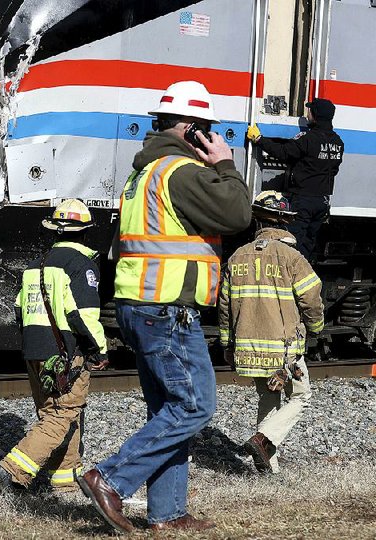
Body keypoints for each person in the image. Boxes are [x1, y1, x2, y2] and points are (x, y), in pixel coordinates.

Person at [77, 81, 251, 532]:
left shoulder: (144, 174)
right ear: (192, 128)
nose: (214, 138)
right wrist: (227, 166)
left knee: (168, 410)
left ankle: (167, 513)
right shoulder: (181, 171)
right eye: (208, 129)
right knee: (195, 406)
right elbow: (237, 215)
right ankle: (110, 477)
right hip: (167, 307)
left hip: (140, 304)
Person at [0, 199, 109, 494]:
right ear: (85, 232)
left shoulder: (36, 264)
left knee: (58, 412)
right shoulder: (81, 266)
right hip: (65, 353)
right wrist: (99, 350)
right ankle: (10, 471)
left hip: (36, 351)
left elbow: (19, 309)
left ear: (54, 231)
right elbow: (83, 315)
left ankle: (65, 480)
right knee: (61, 415)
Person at [218, 191, 324, 474]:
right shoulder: (292, 257)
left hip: (250, 348)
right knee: (300, 396)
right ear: (285, 222)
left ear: (257, 221)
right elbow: (311, 298)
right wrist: (316, 328)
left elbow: (225, 306)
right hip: (284, 349)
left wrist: (228, 344)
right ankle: (263, 440)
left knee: (268, 398)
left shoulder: (237, 257)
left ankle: (269, 466)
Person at [246, 98, 344, 259]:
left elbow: (283, 152)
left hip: (303, 199)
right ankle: (303, 275)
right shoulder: (338, 142)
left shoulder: (308, 138)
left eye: (310, 111)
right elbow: (334, 169)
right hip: (323, 201)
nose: (308, 114)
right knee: (308, 243)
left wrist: (259, 140)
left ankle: (290, 278)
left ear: (315, 115)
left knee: (293, 242)